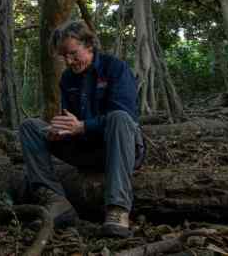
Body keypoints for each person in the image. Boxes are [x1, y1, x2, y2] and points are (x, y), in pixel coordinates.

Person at [19, 21, 144, 238]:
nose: (69, 61)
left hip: (119, 149)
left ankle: (117, 208)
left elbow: (126, 117)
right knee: (30, 127)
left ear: (89, 45)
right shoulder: (68, 78)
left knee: (119, 118)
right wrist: (59, 130)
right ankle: (56, 202)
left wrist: (82, 126)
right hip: (85, 149)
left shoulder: (115, 68)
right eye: (63, 56)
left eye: (73, 54)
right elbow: (70, 119)